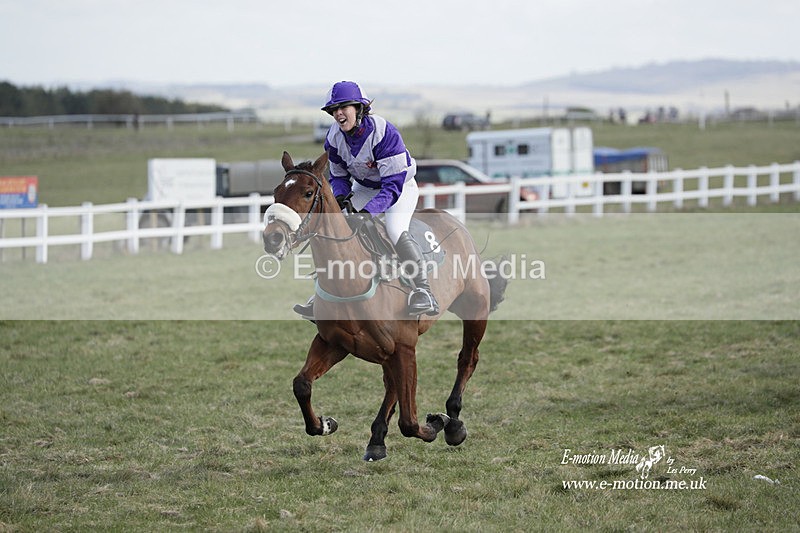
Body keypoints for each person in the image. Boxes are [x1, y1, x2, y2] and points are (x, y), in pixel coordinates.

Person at [293, 80, 439, 319]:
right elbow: (339, 177)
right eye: (334, 110)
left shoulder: (384, 133)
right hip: (365, 187)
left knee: (394, 229)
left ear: (360, 109)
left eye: (344, 107)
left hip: (399, 187)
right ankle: (322, 293)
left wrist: (367, 212)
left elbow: (391, 187)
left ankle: (423, 290)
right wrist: (342, 200)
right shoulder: (333, 138)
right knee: (337, 225)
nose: (338, 113)